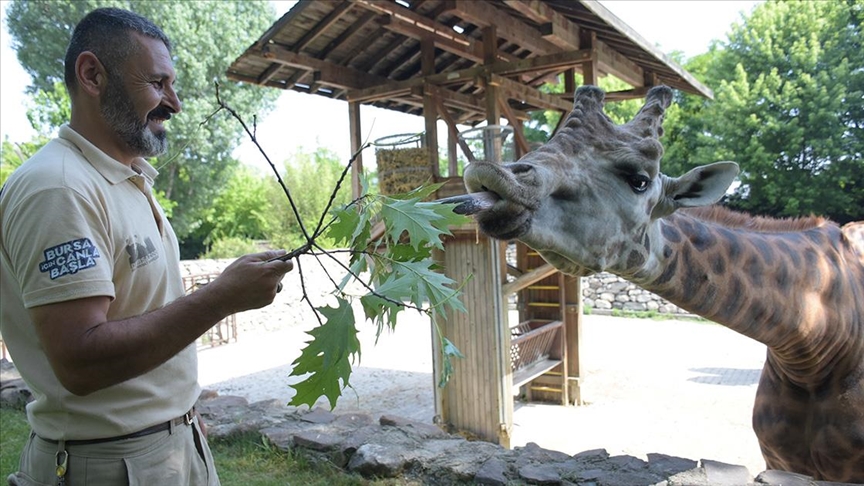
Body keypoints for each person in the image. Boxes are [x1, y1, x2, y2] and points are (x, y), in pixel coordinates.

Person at [0, 7, 293, 485]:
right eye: (158, 84)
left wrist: (181, 414)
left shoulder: (127, 178)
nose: (174, 103)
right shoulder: (58, 187)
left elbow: (144, 311)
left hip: (173, 442)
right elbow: (79, 361)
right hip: (109, 463)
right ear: (92, 75)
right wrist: (221, 298)